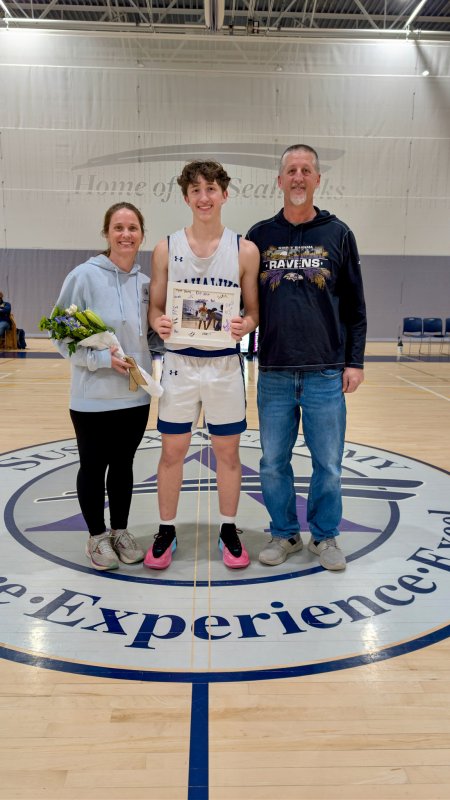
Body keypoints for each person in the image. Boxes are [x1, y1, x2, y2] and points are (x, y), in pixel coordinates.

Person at [246, 144, 366, 572]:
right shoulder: (258, 236)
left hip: (325, 372)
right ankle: (284, 533)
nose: (298, 177)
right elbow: (243, 301)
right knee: (272, 462)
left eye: (306, 170)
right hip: (274, 372)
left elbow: (355, 305)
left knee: (328, 464)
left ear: (318, 179)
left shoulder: (339, 233)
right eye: (291, 171)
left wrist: (355, 362)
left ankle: (325, 535)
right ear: (279, 181)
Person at [145, 160, 259, 570]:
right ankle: (166, 529)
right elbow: (156, 307)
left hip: (224, 366)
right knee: (172, 451)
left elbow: (253, 313)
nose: (204, 197)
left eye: (211, 189)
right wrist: (157, 320)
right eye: (196, 190)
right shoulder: (166, 247)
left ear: (225, 195)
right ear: (185, 197)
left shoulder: (245, 249)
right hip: (179, 364)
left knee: (227, 454)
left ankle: (228, 528)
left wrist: (244, 323)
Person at [52, 202, 152, 571]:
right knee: (93, 466)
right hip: (92, 396)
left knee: (124, 465)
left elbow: (150, 337)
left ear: (142, 233)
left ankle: (121, 531)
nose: (126, 234)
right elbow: (60, 335)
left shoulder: (146, 284)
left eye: (133, 228)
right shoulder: (83, 276)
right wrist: (98, 361)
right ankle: (96, 536)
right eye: (118, 228)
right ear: (107, 233)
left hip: (135, 395)